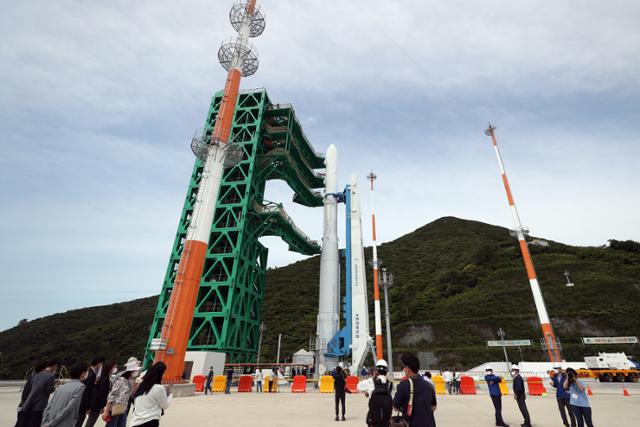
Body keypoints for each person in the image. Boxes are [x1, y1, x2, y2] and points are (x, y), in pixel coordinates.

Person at [393, 353, 437, 427]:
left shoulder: (403, 385)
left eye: (402, 367)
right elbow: (433, 407)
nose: (403, 370)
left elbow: (395, 408)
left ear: (407, 368)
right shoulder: (429, 385)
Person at [41, 363, 88, 427]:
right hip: (64, 422)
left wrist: (45, 422)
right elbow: (68, 408)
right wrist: (52, 423)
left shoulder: (62, 386)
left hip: (49, 420)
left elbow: (49, 406)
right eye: (86, 372)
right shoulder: (81, 386)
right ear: (82, 373)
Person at [16, 360, 59, 427]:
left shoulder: (34, 376)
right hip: (39, 406)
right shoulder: (51, 375)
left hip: (27, 405)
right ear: (54, 366)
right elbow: (48, 390)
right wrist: (55, 386)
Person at [129, 362, 172, 427]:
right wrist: (169, 395)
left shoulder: (141, 386)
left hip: (135, 422)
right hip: (150, 421)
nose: (164, 375)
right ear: (159, 374)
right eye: (163, 373)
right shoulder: (159, 388)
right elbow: (165, 406)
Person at [103, 361, 141, 427]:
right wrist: (106, 411)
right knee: (112, 425)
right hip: (115, 407)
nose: (137, 372)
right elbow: (111, 395)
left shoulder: (132, 381)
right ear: (131, 371)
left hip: (123, 408)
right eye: (135, 370)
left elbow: (131, 394)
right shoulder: (121, 380)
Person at [357, 359, 393, 427]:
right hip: (386, 421)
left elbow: (358, 386)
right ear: (386, 371)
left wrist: (368, 391)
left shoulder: (371, 382)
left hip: (373, 421)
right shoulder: (390, 385)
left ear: (376, 371)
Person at [75, 356, 105, 427]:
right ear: (98, 363)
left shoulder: (88, 372)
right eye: (101, 364)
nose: (101, 366)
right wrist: (88, 406)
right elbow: (88, 391)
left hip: (80, 400)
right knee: (79, 420)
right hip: (84, 403)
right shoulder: (92, 375)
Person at [85, 362, 116, 427]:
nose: (114, 369)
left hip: (96, 402)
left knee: (91, 421)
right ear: (109, 368)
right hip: (96, 404)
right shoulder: (105, 379)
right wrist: (102, 406)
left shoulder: (106, 377)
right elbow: (102, 393)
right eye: (113, 367)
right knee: (91, 421)